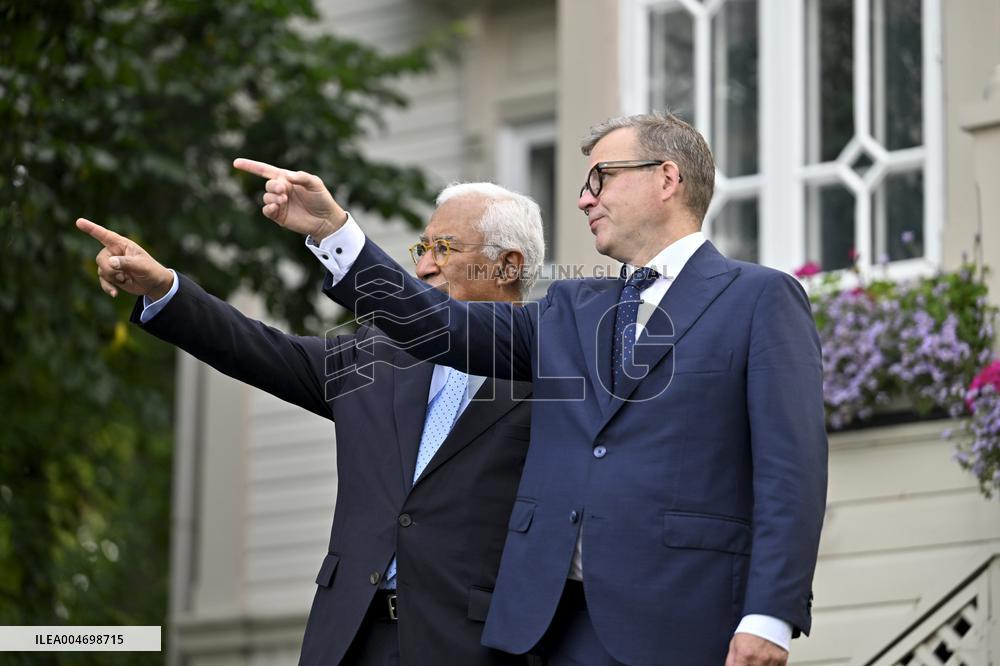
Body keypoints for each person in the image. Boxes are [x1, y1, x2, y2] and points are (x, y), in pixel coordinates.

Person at [231, 110, 828, 666]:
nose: (583, 197)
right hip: (549, 629)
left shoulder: (758, 299)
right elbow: (434, 322)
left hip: (684, 617)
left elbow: (790, 468)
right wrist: (336, 233)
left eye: (602, 177)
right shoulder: (570, 307)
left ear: (666, 178)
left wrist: (770, 613)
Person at [75, 178, 547, 666]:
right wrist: (163, 288)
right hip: (348, 640)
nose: (424, 264)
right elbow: (256, 348)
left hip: (474, 646)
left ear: (508, 265)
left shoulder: (553, 375)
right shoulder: (375, 358)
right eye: (422, 247)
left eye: (444, 248)